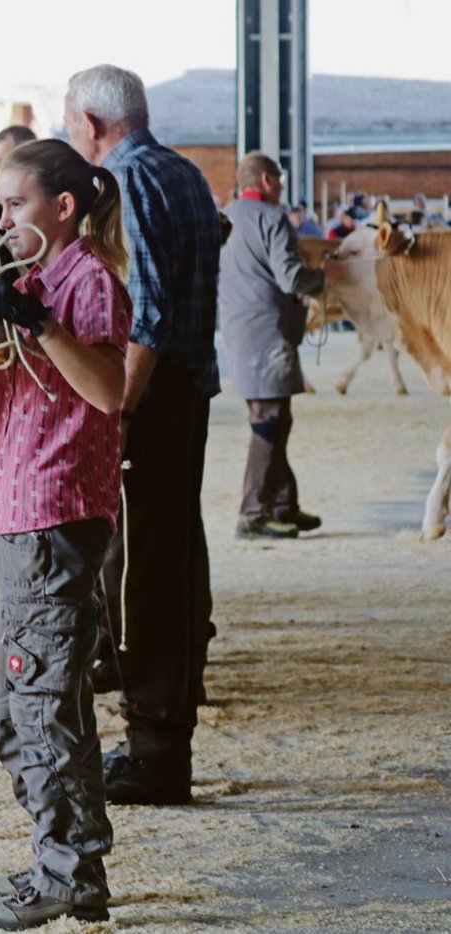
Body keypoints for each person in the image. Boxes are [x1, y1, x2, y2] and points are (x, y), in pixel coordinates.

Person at [0, 138, 129, 929]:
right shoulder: (25, 281)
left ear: (63, 208)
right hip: (18, 510)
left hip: (58, 514)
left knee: (41, 702)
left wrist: (38, 320)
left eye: (15, 204)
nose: (3, 218)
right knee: (23, 706)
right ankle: (68, 863)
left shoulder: (86, 281)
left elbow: (107, 390)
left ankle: (64, 871)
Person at [65, 64, 222, 806]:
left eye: (71, 126)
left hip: (150, 394)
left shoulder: (123, 183)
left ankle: (155, 749)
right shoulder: (186, 172)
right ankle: (169, 729)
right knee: (175, 550)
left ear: (94, 125)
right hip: (187, 387)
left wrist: (119, 403)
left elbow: (150, 309)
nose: (73, 140)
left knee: (139, 566)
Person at [220, 153, 334, 539]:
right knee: (269, 422)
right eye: (280, 179)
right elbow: (290, 278)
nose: (282, 187)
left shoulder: (227, 216)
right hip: (268, 333)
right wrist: (321, 278)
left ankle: (284, 504)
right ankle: (252, 513)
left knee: (274, 419)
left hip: (239, 331)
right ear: (266, 179)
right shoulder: (272, 218)